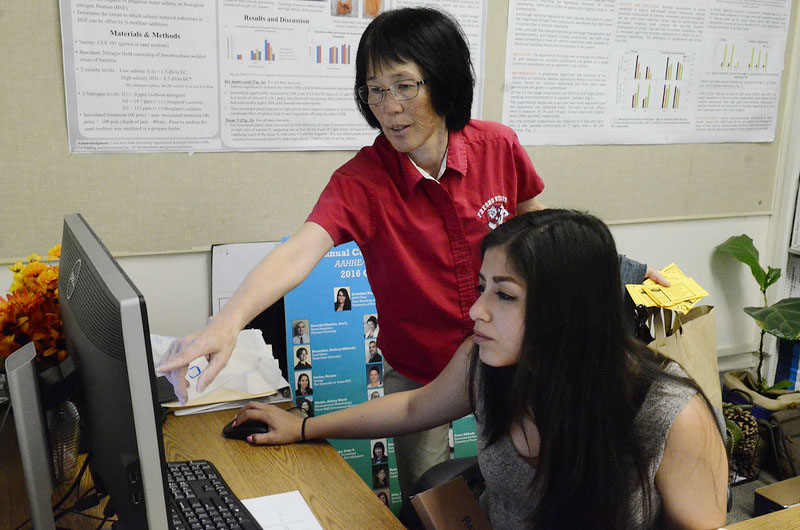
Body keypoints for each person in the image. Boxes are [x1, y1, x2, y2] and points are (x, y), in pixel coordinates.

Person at [157, 7, 665, 500]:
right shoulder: (361, 181)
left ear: (441, 81)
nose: (390, 107)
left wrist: (626, 274)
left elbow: (550, 238)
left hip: (516, 355)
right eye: (375, 91)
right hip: (418, 369)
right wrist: (227, 323)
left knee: (530, 482)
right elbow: (298, 252)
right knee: (426, 495)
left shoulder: (498, 146)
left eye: (405, 86)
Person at [227, 210, 727, 529]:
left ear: (569, 310)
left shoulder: (671, 417)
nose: (477, 310)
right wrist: (304, 426)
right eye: (484, 285)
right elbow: (416, 405)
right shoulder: (489, 359)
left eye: (504, 295)